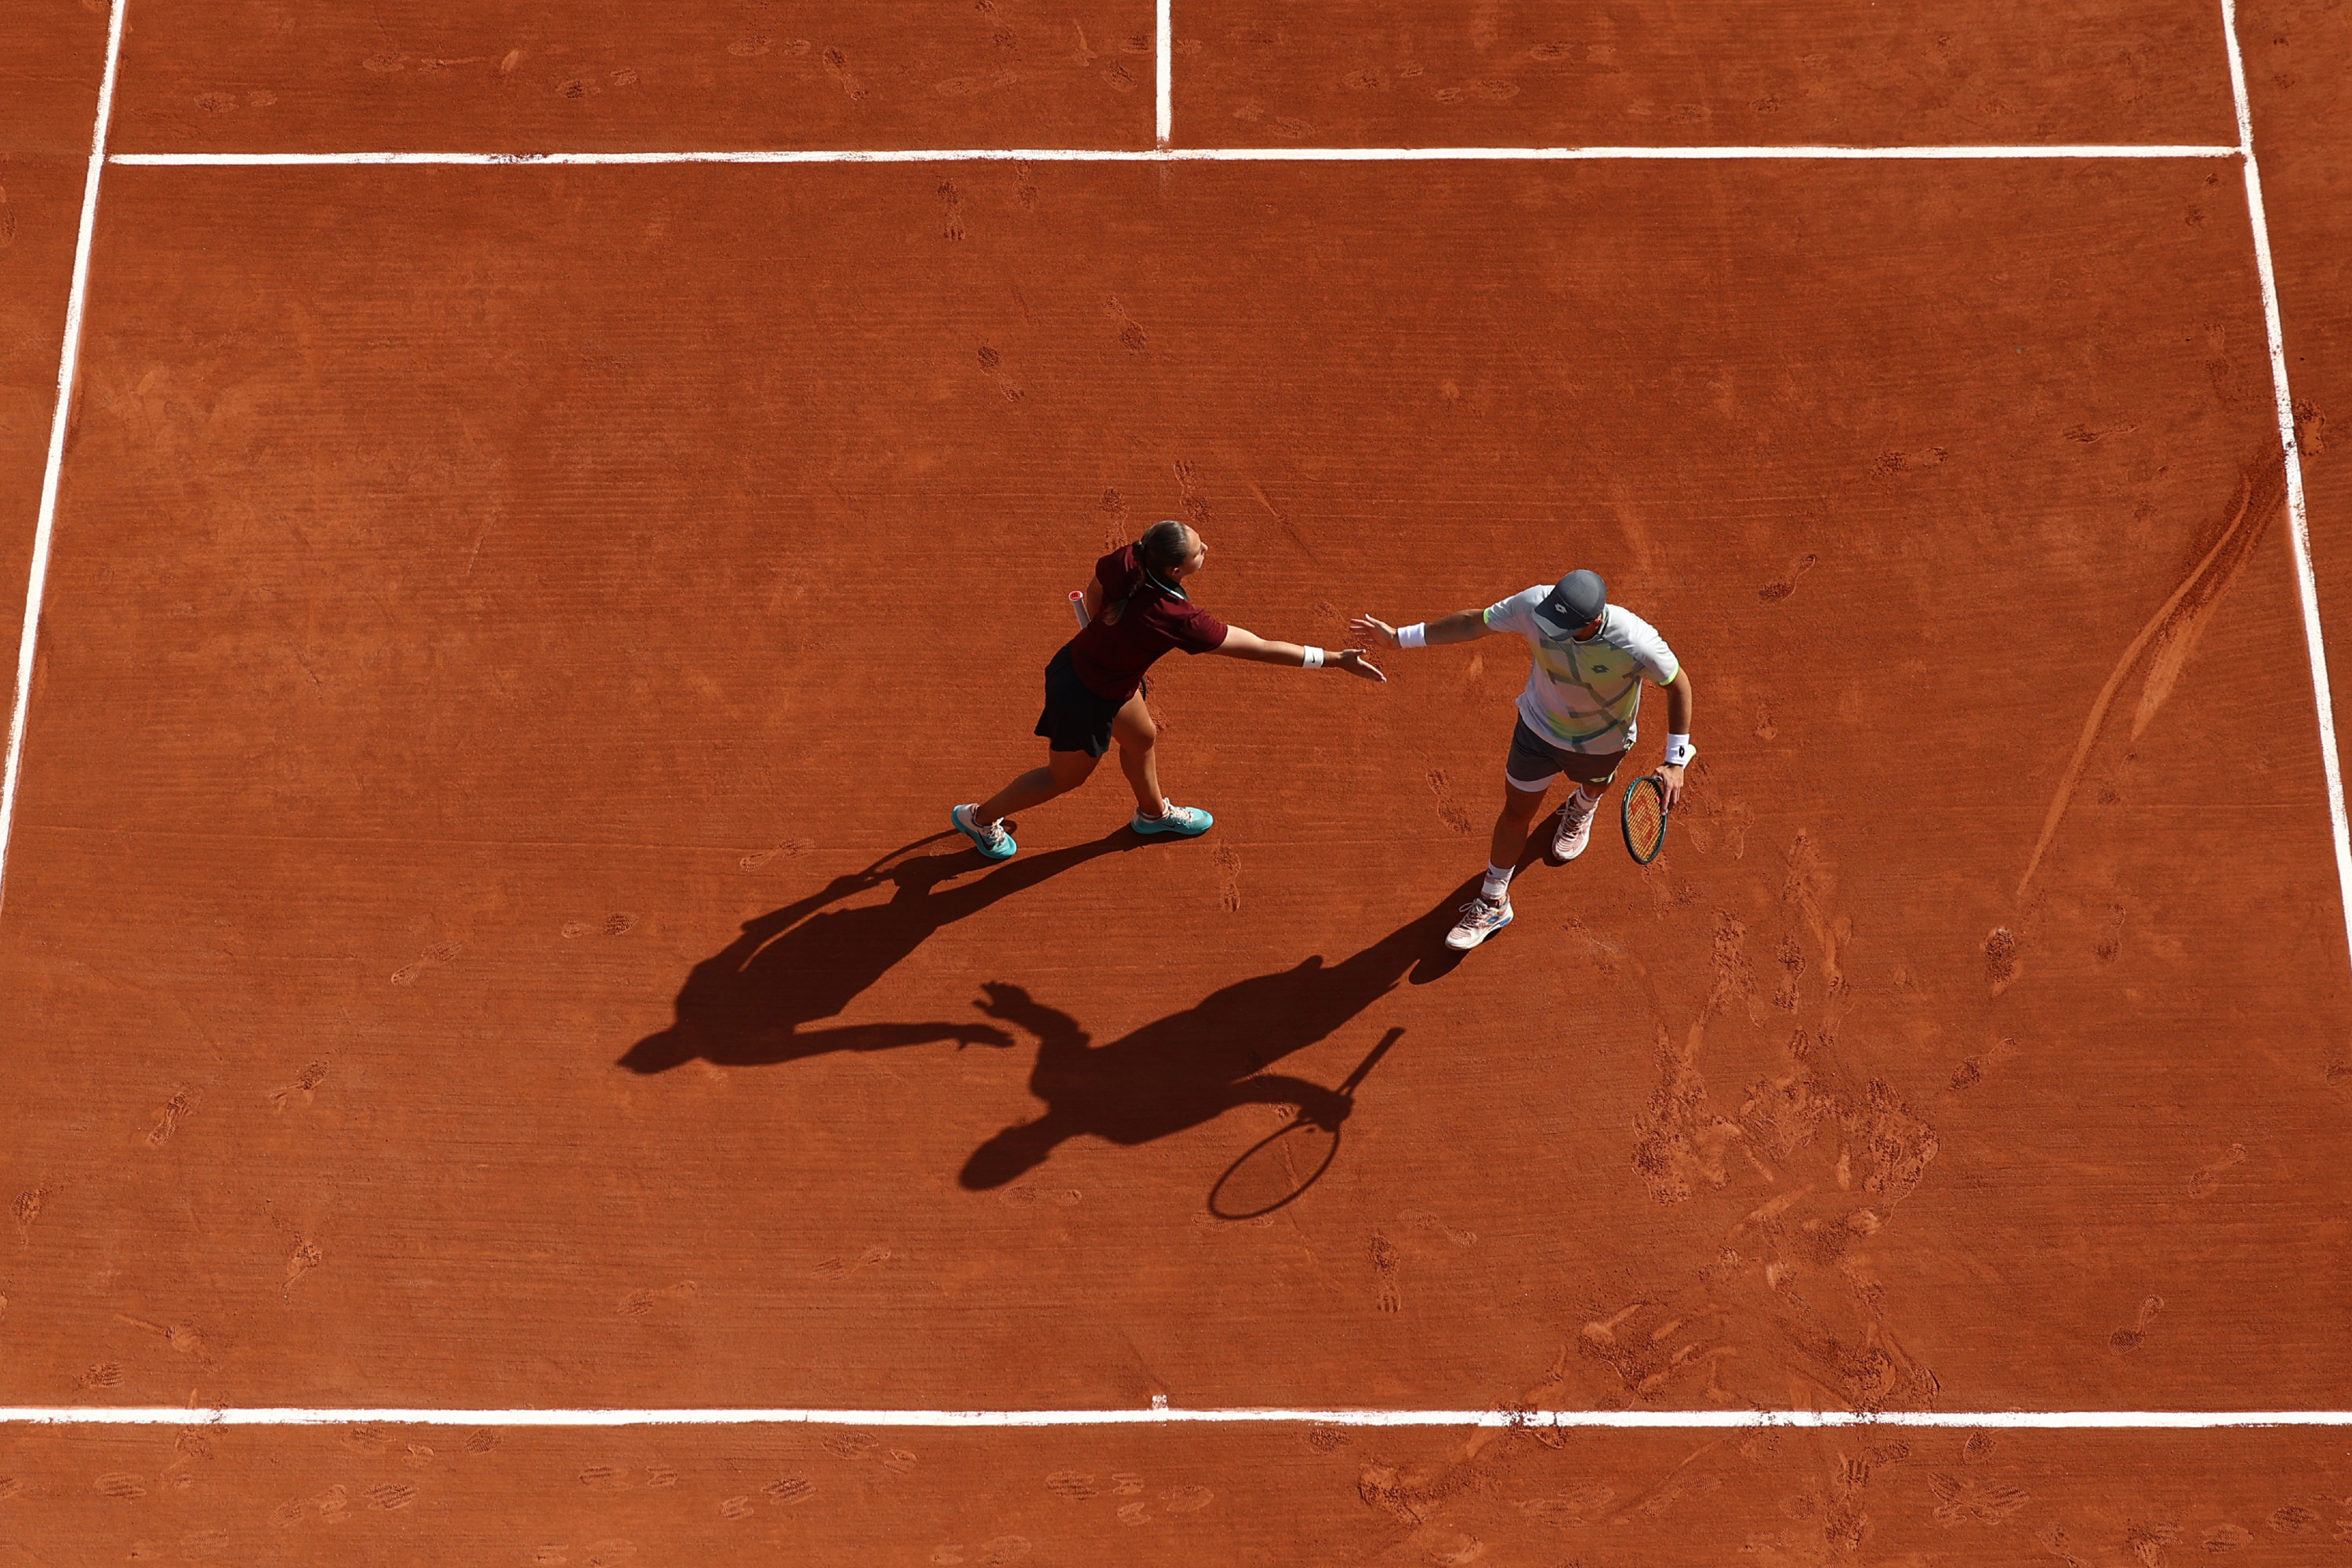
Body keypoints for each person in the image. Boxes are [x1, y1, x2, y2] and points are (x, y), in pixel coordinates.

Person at [953, 520, 1385, 860]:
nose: (1206, 550)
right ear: (1176, 570)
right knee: (1064, 778)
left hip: (1098, 673)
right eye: (1200, 549)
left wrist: (1113, 638)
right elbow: (1260, 649)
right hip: (1084, 697)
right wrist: (1333, 659)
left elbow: (1095, 592)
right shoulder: (1179, 619)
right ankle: (980, 818)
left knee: (1142, 738)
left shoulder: (1127, 557)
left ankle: (1153, 815)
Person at [1352, 568, 1694, 952]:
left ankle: (1582, 806)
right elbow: (1472, 622)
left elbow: (1677, 684)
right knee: (1516, 812)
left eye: (1561, 626)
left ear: (1593, 622)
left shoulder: (1636, 643)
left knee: (1597, 784)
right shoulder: (1534, 605)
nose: (1549, 631)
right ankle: (1494, 900)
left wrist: (1675, 760)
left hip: (1602, 743)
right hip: (1536, 731)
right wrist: (1399, 638)